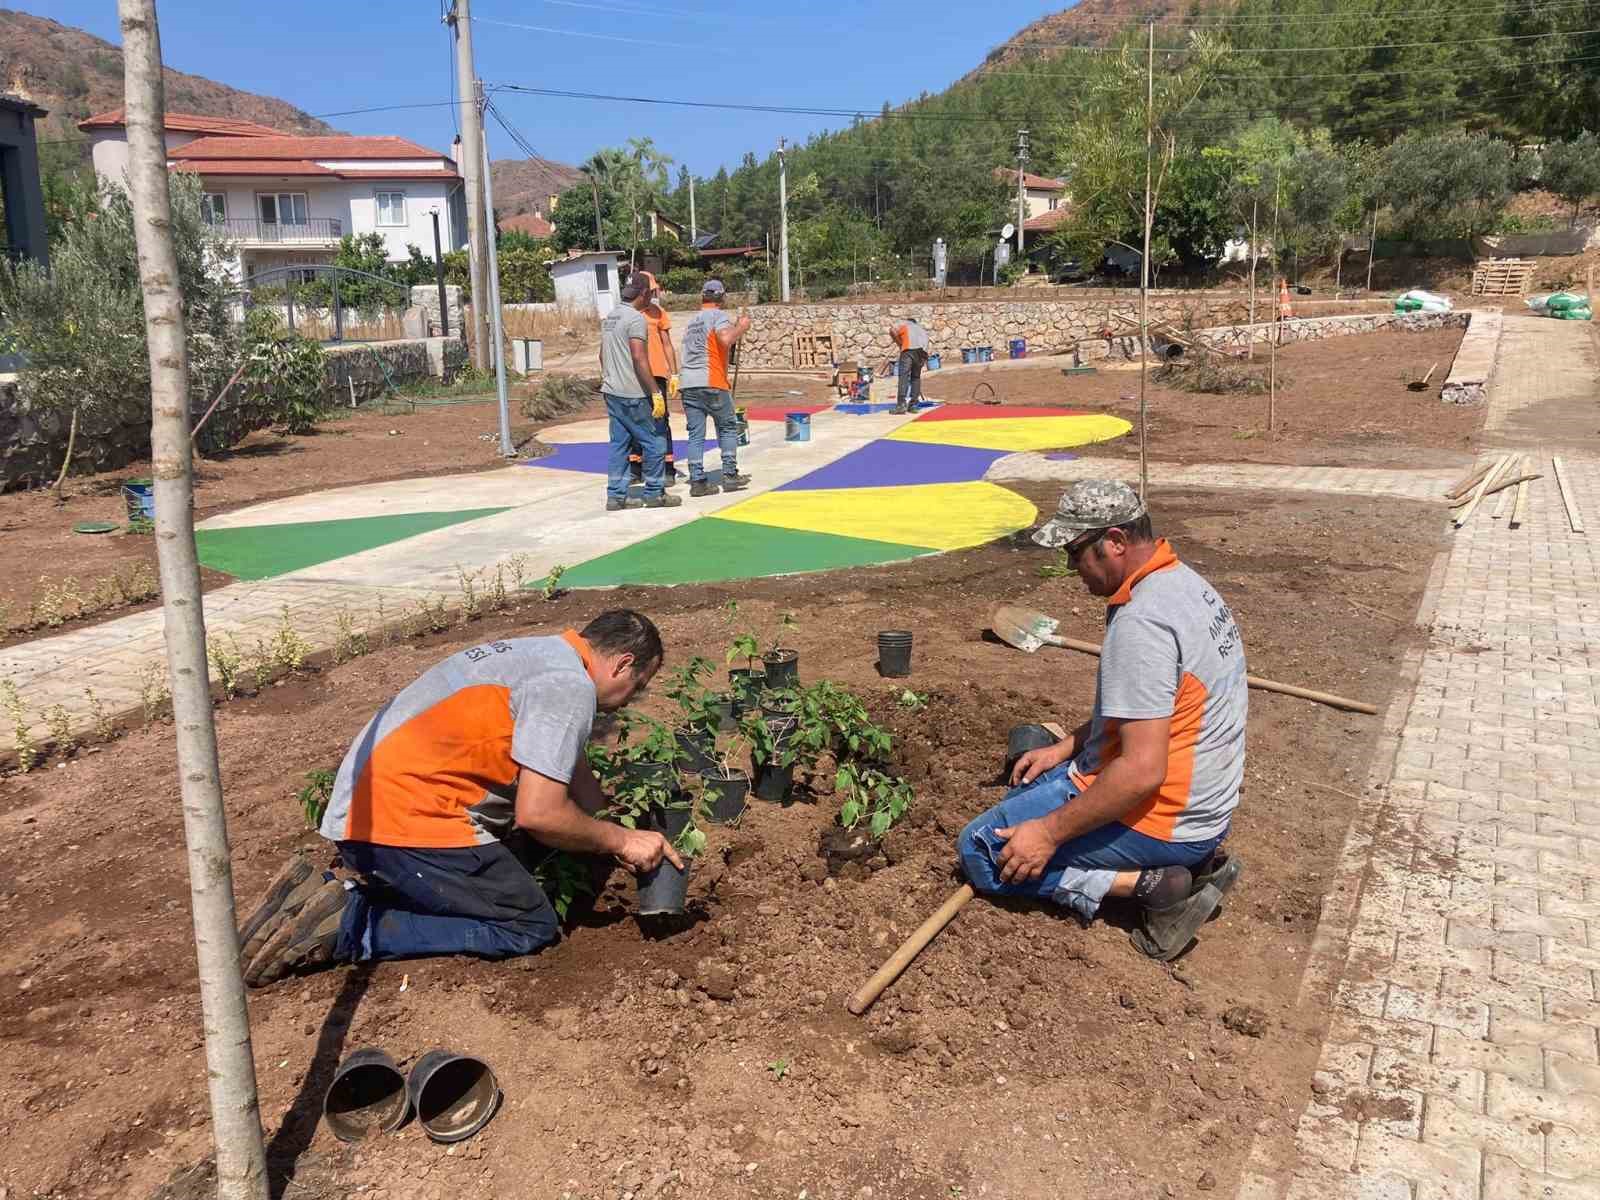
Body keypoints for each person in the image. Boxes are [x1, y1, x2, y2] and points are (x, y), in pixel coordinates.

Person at [238, 610, 683, 985]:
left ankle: (309, 899)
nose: (632, 700)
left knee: (519, 856)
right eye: (639, 685)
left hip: (369, 806)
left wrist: (608, 822)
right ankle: (352, 923)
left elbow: (571, 768)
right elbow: (540, 814)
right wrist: (621, 841)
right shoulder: (568, 687)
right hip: (401, 824)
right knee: (528, 925)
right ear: (622, 664)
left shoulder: (544, 655)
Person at [958, 481, 1247, 961]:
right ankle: (1195, 865)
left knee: (984, 850)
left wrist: (1047, 834)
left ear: (1114, 541)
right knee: (1035, 772)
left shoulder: (1143, 623)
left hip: (1166, 822)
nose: (1072, 569)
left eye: (1075, 553)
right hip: (1204, 811)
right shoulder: (1183, 584)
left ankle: (1150, 887)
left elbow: (1140, 773)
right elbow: (1150, 708)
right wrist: (1065, 747)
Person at [600, 274, 680, 511]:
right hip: (634, 394)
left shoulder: (610, 317)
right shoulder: (636, 319)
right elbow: (639, 357)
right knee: (655, 441)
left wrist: (611, 378)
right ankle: (654, 493)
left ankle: (615, 496)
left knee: (619, 444)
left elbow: (601, 355)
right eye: (651, 293)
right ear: (643, 293)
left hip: (612, 392)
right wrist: (655, 391)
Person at [678, 279, 752, 498]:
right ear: (721, 298)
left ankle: (697, 480)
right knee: (728, 426)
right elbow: (726, 338)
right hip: (711, 381)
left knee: (695, 435)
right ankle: (729, 474)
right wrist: (742, 327)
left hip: (688, 384)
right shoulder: (717, 316)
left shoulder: (692, 322)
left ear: (703, 297)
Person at [625, 271, 682, 487]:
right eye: (650, 290)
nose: (653, 294)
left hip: (657, 374)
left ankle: (668, 469)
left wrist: (674, 373)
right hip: (634, 375)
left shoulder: (658, 313)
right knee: (635, 421)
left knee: (661, 421)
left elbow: (667, 344)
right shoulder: (628, 314)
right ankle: (635, 468)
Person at [888, 315, 930, 414]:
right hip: (922, 353)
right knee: (916, 377)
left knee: (904, 377)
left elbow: (892, 330)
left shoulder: (905, 325)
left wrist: (899, 343)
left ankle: (901, 405)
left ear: (908, 321)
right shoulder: (922, 330)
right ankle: (913, 405)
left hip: (908, 351)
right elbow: (927, 345)